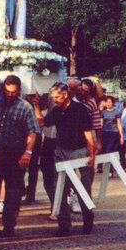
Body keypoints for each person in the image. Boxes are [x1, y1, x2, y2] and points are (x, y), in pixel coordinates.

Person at [0, 75, 39, 238]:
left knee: (13, 193)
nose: (10, 94)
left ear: (19, 90)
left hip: (16, 154)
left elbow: (33, 131)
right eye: (7, 91)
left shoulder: (25, 107)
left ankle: (9, 227)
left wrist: (28, 152)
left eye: (13, 92)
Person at [36, 82, 95, 236]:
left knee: (83, 187)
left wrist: (92, 155)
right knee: (59, 187)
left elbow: (88, 133)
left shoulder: (80, 109)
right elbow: (42, 122)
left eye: (57, 96)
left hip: (80, 151)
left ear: (65, 94)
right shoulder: (56, 110)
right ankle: (64, 225)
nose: (55, 99)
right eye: (53, 97)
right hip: (61, 151)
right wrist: (35, 105)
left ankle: (88, 221)